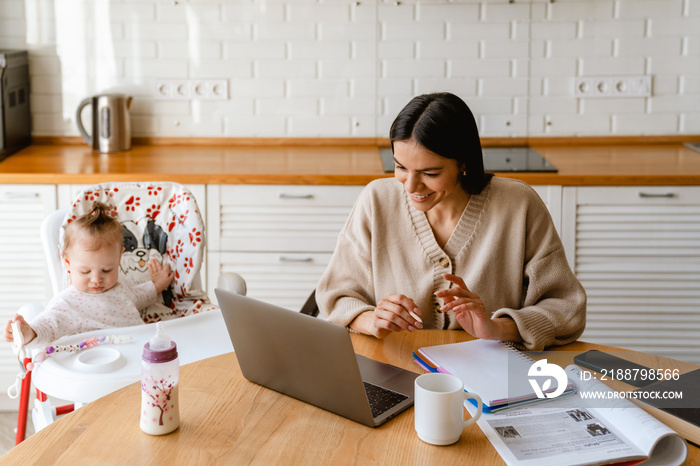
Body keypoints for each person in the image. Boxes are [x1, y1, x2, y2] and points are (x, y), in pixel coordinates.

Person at [316, 92, 586, 351]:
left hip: (491, 374)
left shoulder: (519, 204)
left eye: (430, 173)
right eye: (400, 167)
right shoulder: (376, 201)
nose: (411, 186)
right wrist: (371, 319)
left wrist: (495, 328)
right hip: (392, 365)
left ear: (463, 163)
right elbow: (336, 297)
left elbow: (566, 308)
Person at [4, 202, 174, 348]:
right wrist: (28, 333)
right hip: (102, 366)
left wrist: (156, 286)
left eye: (107, 270)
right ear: (67, 262)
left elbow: (135, 298)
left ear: (119, 258)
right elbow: (48, 326)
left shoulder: (119, 284)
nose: (96, 279)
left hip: (142, 354)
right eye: (85, 271)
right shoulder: (66, 303)